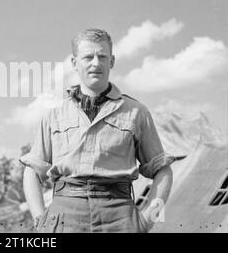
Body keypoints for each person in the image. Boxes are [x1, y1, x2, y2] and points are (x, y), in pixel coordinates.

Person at [20, 28, 175, 233]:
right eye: (88, 57)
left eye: (102, 56)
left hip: (119, 216)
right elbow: (32, 169)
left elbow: (163, 170)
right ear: (75, 63)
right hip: (65, 216)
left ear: (112, 61)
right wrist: (40, 222)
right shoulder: (54, 115)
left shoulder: (136, 112)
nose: (95, 63)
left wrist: (146, 221)